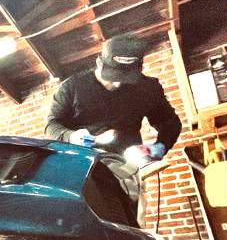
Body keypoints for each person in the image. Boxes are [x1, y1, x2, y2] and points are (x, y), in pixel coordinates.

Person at [45, 34, 181, 162]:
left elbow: (169, 122)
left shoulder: (147, 88)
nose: (118, 84)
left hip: (127, 165)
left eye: (127, 79)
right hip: (81, 163)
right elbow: (52, 127)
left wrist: (161, 145)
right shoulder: (72, 87)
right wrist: (70, 136)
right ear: (99, 63)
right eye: (112, 76)